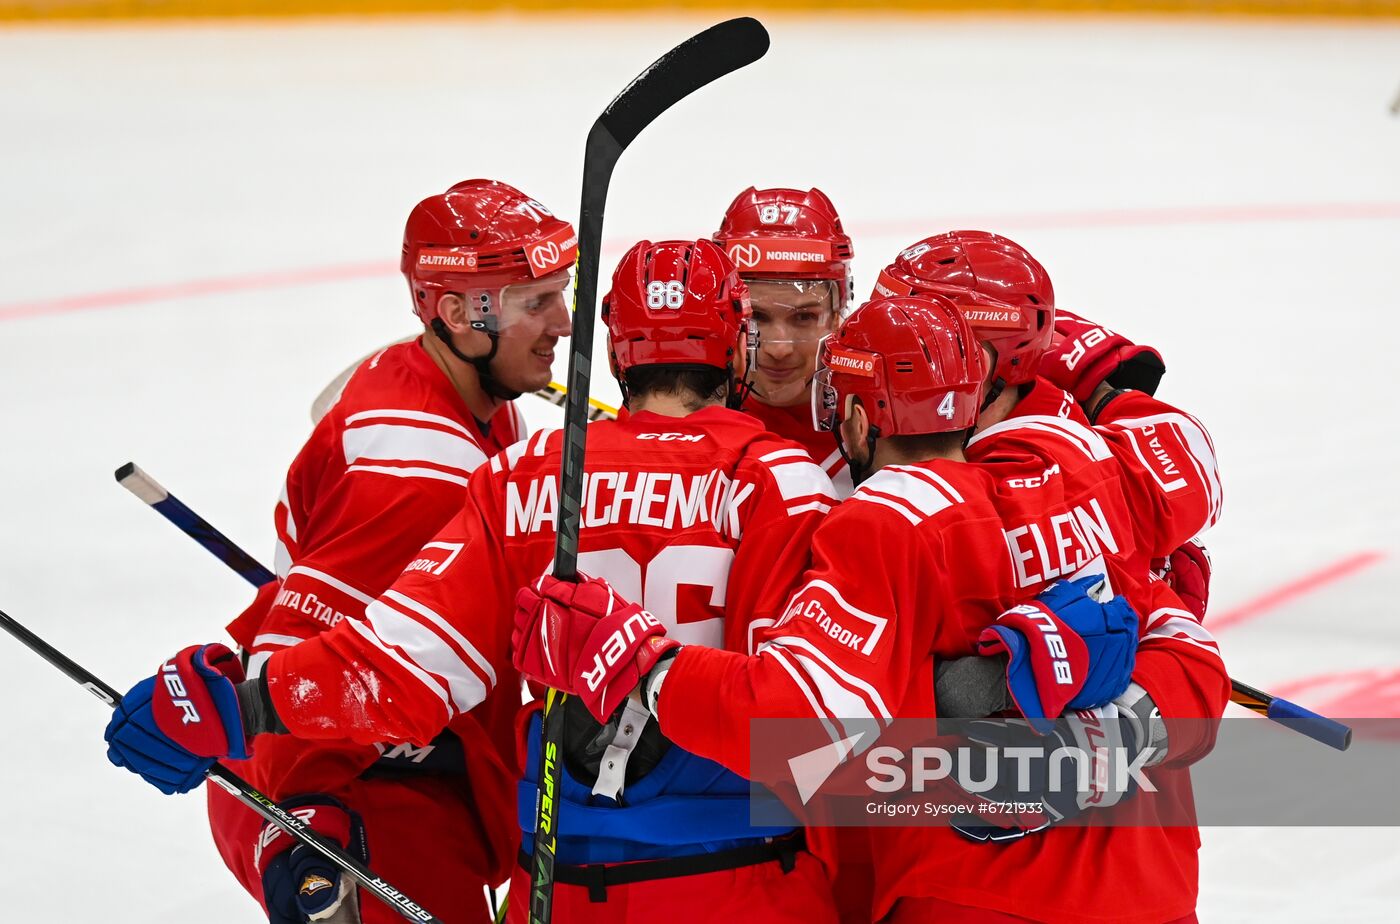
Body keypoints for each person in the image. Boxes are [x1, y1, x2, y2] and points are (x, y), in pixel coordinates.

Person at [104, 239, 844, 923]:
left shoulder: (525, 478)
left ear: (619, 352)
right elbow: (807, 733)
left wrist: (241, 707)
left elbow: (401, 667)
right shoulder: (782, 481)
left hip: (560, 884)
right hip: (744, 882)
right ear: (736, 346)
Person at [512, 295, 1177, 923]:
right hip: (1148, 881)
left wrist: (643, 664)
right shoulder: (1075, 474)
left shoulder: (882, 522)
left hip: (975, 892)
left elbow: (800, 728)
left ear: (857, 419)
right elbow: (1182, 638)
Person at [205, 178, 575, 924]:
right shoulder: (417, 470)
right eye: (535, 302)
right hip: (354, 801)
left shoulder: (446, 389)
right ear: (457, 316)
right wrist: (308, 825)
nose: (562, 324)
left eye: (558, 294)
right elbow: (301, 649)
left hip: (397, 773)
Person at [714, 187, 856, 495]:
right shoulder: (677, 409)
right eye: (757, 317)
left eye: (804, 318)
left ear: (837, 318)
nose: (779, 349)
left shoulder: (884, 424)